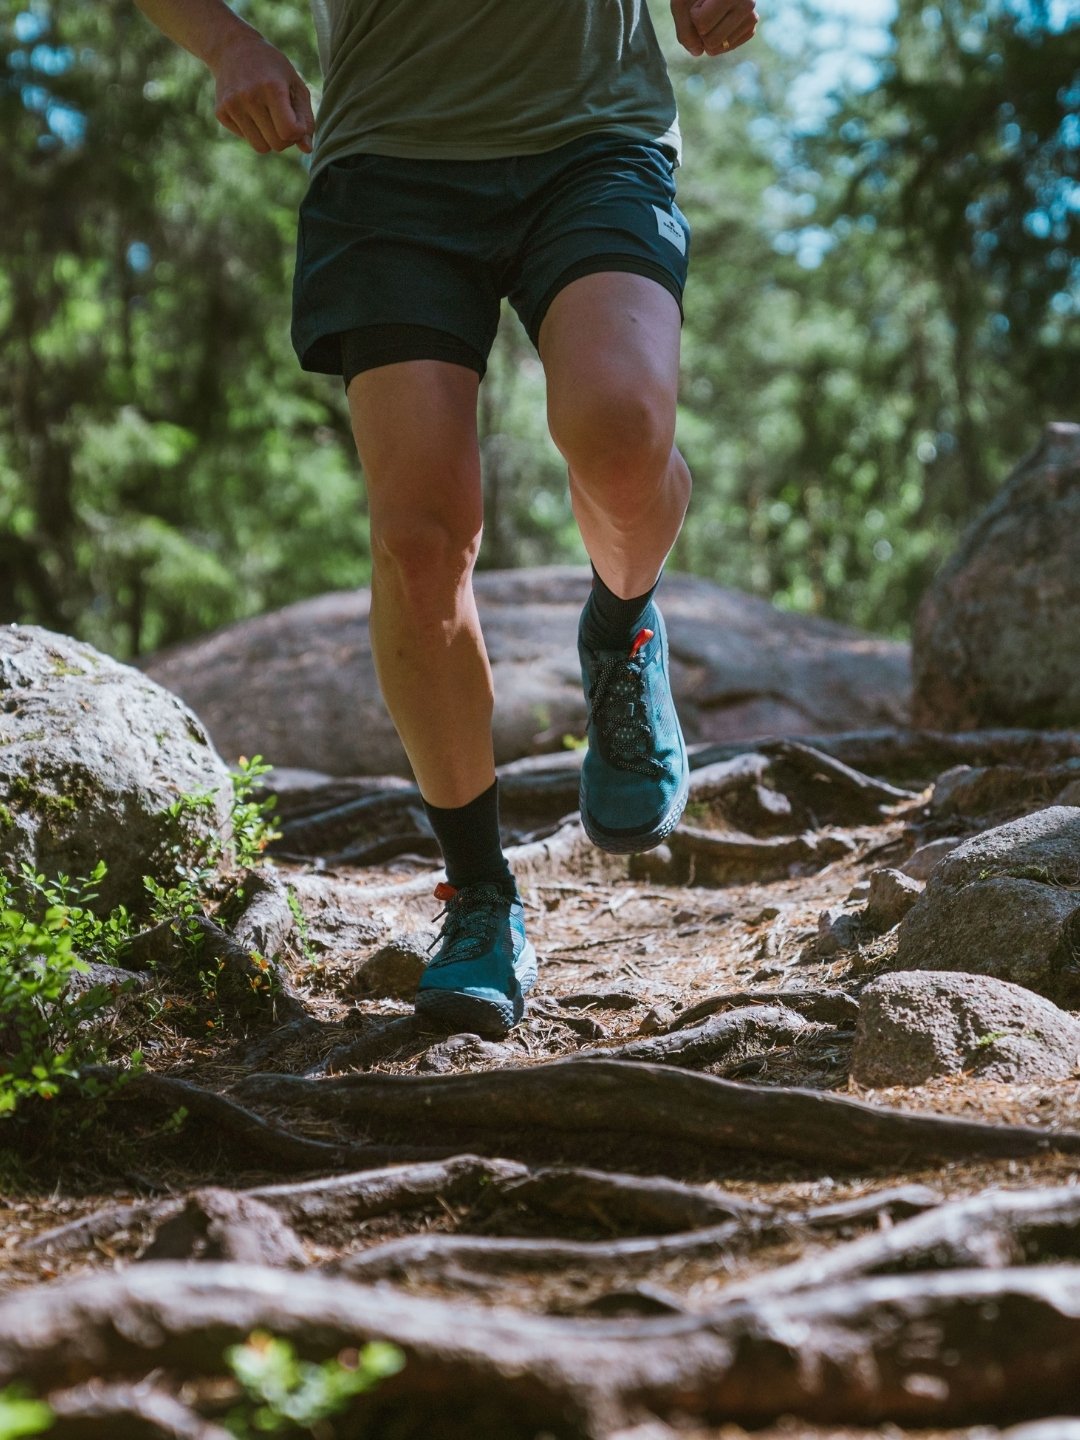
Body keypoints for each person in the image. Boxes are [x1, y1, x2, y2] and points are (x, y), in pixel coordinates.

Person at [135, 0, 759, 1038]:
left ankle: (621, 628)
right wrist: (230, 42)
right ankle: (479, 896)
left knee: (620, 428)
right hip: (389, 163)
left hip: (594, 134)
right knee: (419, 543)